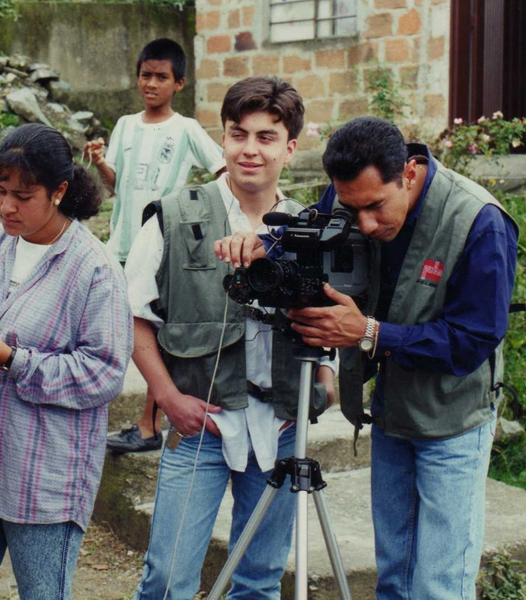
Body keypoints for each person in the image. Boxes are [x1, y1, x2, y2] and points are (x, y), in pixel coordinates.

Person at [222, 116, 519, 600]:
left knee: (438, 586)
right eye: (352, 208)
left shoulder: (478, 222)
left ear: (409, 173)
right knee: (394, 578)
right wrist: (267, 247)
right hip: (391, 412)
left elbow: (473, 341)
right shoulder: (351, 196)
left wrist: (369, 333)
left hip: (454, 419)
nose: (365, 224)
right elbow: (314, 234)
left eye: (376, 207)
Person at [126, 77, 336, 600]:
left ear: (290, 147)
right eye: (238, 134)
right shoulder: (173, 214)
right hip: (203, 424)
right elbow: (132, 314)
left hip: (282, 427)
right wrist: (168, 398)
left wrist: (326, 377)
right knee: (167, 578)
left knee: (260, 580)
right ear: (223, 138)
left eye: (266, 138)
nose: (249, 150)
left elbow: (335, 310)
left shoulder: (311, 227)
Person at [0, 123, 133, 600]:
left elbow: (104, 373)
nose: (6, 207)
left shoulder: (94, 268)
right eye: (0, 191)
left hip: (44, 478)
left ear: (59, 191)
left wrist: (13, 360)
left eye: (23, 195)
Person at [84, 37, 225, 454]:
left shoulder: (186, 129)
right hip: (120, 244)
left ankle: (149, 425)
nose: (152, 83)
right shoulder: (126, 125)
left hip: (162, 248)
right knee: (112, 328)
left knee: (154, 335)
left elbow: (222, 172)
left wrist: (191, 221)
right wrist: (100, 163)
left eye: (161, 77)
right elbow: (117, 185)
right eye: (146, 75)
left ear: (178, 83)